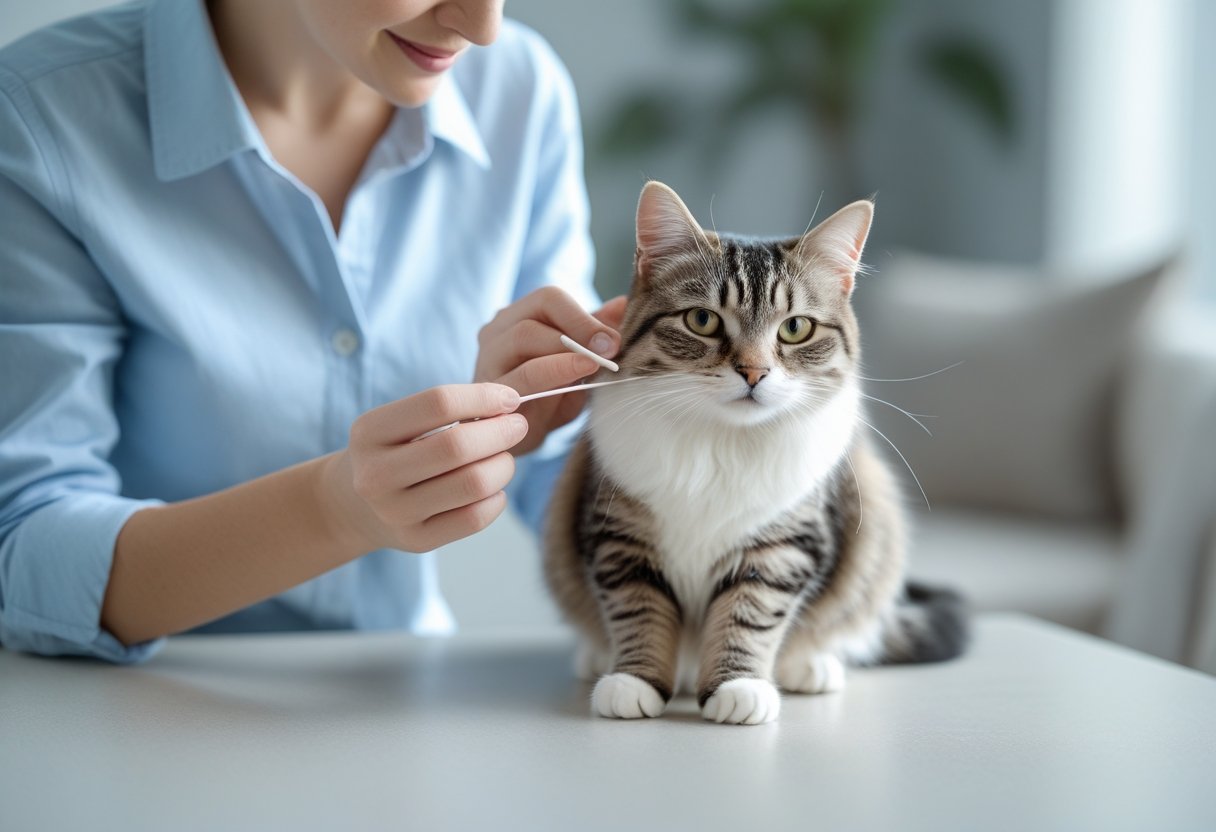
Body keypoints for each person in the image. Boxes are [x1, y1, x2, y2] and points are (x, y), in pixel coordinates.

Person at [0, 0, 625, 662]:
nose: (482, 27)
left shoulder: (520, 91)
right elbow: (22, 548)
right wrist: (333, 511)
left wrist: (629, 450)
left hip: (399, 704)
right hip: (120, 718)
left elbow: (565, 470)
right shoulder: (42, 119)